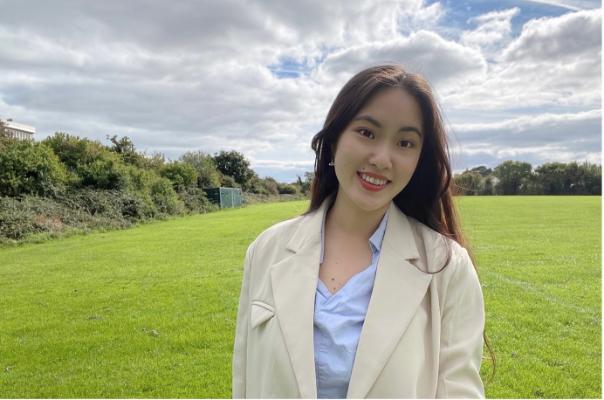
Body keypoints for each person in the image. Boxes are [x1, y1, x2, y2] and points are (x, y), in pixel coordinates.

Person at [232, 64, 487, 398]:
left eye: (405, 143)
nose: (382, 158)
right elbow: (246, 379)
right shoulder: (267, 249)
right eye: (367, 132)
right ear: (335, 139)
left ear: (419, 160)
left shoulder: (447, 265)